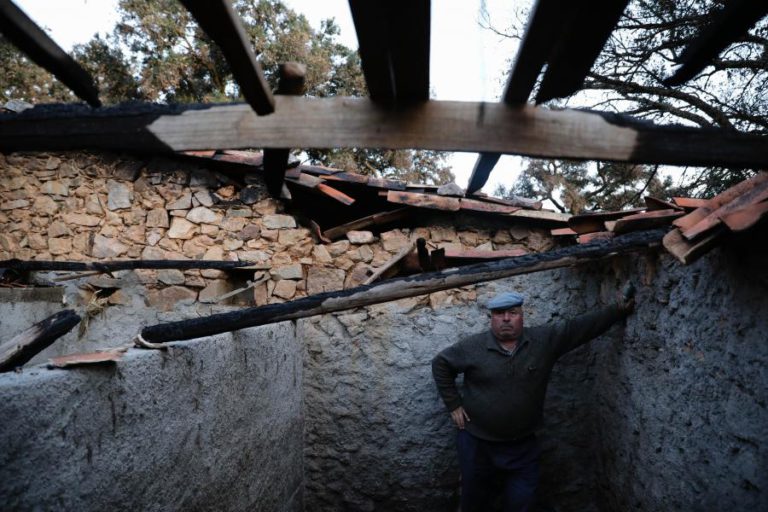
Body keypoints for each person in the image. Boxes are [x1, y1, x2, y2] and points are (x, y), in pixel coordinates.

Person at [431, 289, 635, 512]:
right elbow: (441, 364)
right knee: (474, 500)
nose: (506, 318)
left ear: (522, 315)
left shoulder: (543, 340)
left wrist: (617, 310)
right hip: (477, 443)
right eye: (499, 313)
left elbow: (581, 327)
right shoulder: (472, 347)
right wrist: (453, 404)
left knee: (522, 500)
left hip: (522, 445)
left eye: (512, 312)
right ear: (491, 318)